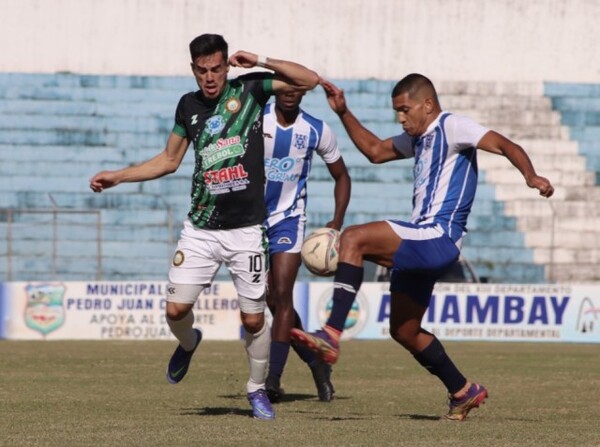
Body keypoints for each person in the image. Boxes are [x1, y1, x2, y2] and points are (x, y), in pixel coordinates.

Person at [291, 74, 554, 421]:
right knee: (404, 330)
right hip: (422, 238)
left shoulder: (452, 126)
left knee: (352, 237)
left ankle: (331, 333)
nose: (401, 118)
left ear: (427, 105)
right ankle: (463, 391)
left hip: (437, 236)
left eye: (405, 109)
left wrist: (530, 176)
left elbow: (505, 144)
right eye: (397, 111)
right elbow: (374, 151)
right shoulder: (419, 139)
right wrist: (344, 112)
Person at [89, 34, 319, 421]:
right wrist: (120, 176)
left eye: (216, 68)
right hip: (200, 229)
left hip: (246, 230)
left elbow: (308, 79)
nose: (209, 77)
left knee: (253, 319)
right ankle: (189, 342)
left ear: (227, 65)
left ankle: (256, 389)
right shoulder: (188, 105)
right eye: (202, 70)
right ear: (193, 69)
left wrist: (261, 59)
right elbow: (168, 159)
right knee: (176, 311)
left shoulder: (251, 89)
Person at [262, 89, 351, 402]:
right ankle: (316, 364)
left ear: (302, 90)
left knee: (283, 294)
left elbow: (342, 176)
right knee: (270, 298)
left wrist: (336, 223)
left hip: (289, 220)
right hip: (250, 222)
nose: (288, 93)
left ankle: (272, 380)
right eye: (282, 87)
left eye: (295, 87)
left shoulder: (316, 129)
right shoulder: (254, 120)